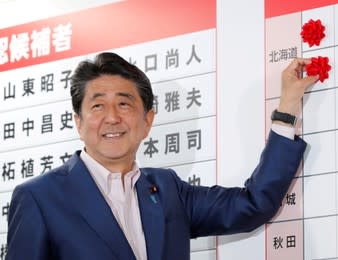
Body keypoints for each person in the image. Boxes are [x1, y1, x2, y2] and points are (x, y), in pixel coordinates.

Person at [6, 52, 318, 260]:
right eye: (98, 105)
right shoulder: (40, 198)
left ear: (147, 120)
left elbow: (253, 205)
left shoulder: (167, 189)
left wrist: (287, 109)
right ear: (78, 121)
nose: (112, 117)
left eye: (125, 104)